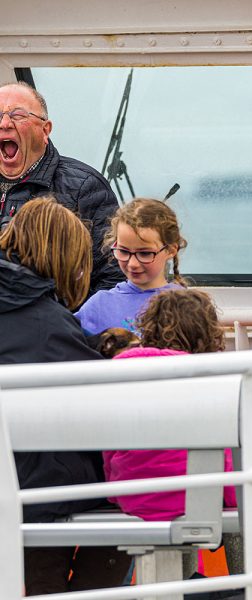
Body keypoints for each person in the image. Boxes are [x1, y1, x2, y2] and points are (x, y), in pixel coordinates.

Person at [0, 196, 131, 594]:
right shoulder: (46, 320)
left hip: (15, 473)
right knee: (127, 500)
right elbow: (94, 396)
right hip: (31, 484)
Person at [102, 288, 238, 599]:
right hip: (193, 500)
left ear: (148, 326)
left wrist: (115, 493)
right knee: (241, 513)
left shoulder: (121, 369)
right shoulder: (208, 376)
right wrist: (235, 500)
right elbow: (226, 455)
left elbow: (110, 448)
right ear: (206, 333)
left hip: (133, 498)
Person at [0, 81, 123, 295]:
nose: (4, 124)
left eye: (18, 115)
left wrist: (64, 314)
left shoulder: (85, 188)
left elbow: (112, 276)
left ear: (45, 130)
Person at [75, 197, 187, 334]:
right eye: (123, 251)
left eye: (145, 253)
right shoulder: (98, 306)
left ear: (171, 250)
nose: (133, 264)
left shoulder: (187, 307)